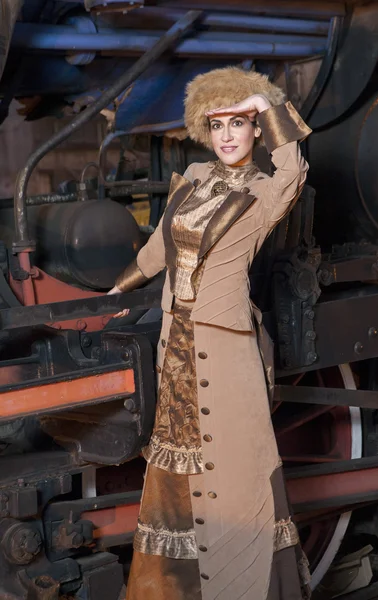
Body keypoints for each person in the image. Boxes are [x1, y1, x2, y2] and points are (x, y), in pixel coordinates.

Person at [108, 66, 312, 600]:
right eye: (217, 123)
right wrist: (112, 294)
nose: (226, 134)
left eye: (238, 123)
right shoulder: (194, 178)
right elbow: (157, 251)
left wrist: (265, 103)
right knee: (177, 481)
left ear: (253, 132)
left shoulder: (266, 192)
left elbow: (294, 168)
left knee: (238, 476)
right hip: (174, 350)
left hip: (225, 353)